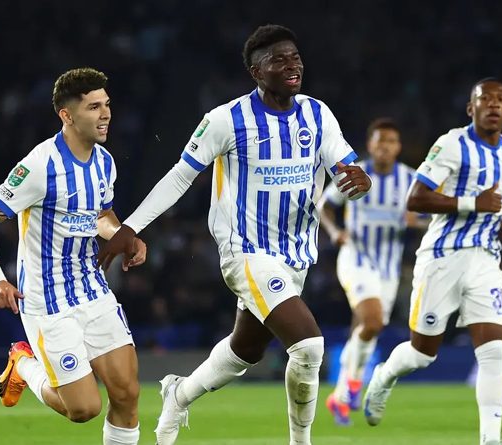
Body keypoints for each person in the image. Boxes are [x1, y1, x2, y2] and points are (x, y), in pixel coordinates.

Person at [97, 24, 372, 445]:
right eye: (277, 59)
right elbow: (179, 177)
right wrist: (131, 226)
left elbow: (346, 168)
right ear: (256, 72)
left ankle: (178, 393)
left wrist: (359, 180)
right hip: (245, 251)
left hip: (296, 253)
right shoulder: (225, 120)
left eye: (294, 56)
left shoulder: (318, 114)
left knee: (245, 351)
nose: (291, 64)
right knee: (309, 347)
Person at [0, 68, 147, 445]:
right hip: (48, 302)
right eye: (94, 107)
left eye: (107, 105)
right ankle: (23, 363)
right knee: (83, 409)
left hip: (93, 290)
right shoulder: (38, 166)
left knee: (127, 394)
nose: (106, 114)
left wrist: (123, 236)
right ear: (66, 115)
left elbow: (100, 214)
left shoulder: (104, 161)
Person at [362, 78, 502, 445]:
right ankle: (385, 376)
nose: (494, 105)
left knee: (495, 351)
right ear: (472, 108)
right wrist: (471, 204)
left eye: (501, 100)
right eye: (486, 100)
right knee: (422, 354)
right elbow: (415, 198)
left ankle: (490, 439)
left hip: (485, 260)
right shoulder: (451, 144)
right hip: (442, 257)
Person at [319, 118, 427, 425]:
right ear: (370, 145)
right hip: (356, 257)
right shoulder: (354, 174)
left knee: (367, 327)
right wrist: (335, 231)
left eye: (391, 142)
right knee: (373, 319)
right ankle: (353, 386)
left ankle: (340, 396)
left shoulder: (410, 179)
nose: (385, 147)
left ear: (398, 147)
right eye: (380, 142)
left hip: (388, 269)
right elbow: (324, 206)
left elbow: (433, 219)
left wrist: (416, 222)